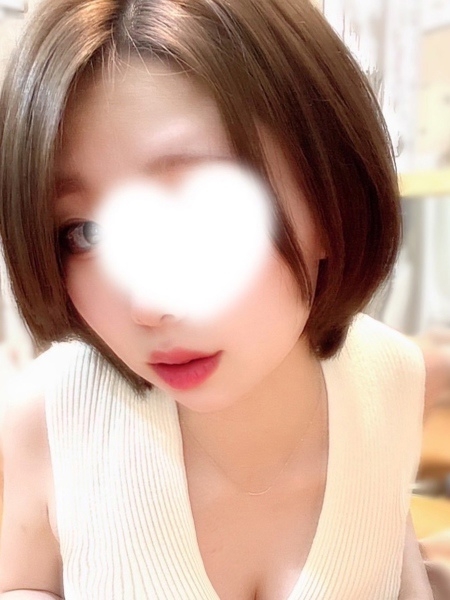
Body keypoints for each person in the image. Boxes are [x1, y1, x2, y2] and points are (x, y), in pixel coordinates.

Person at [0, 0, 439, 598]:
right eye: (86, 233)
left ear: (333, 190)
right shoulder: (47, 416)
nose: (146, 304)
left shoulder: (393, 376)